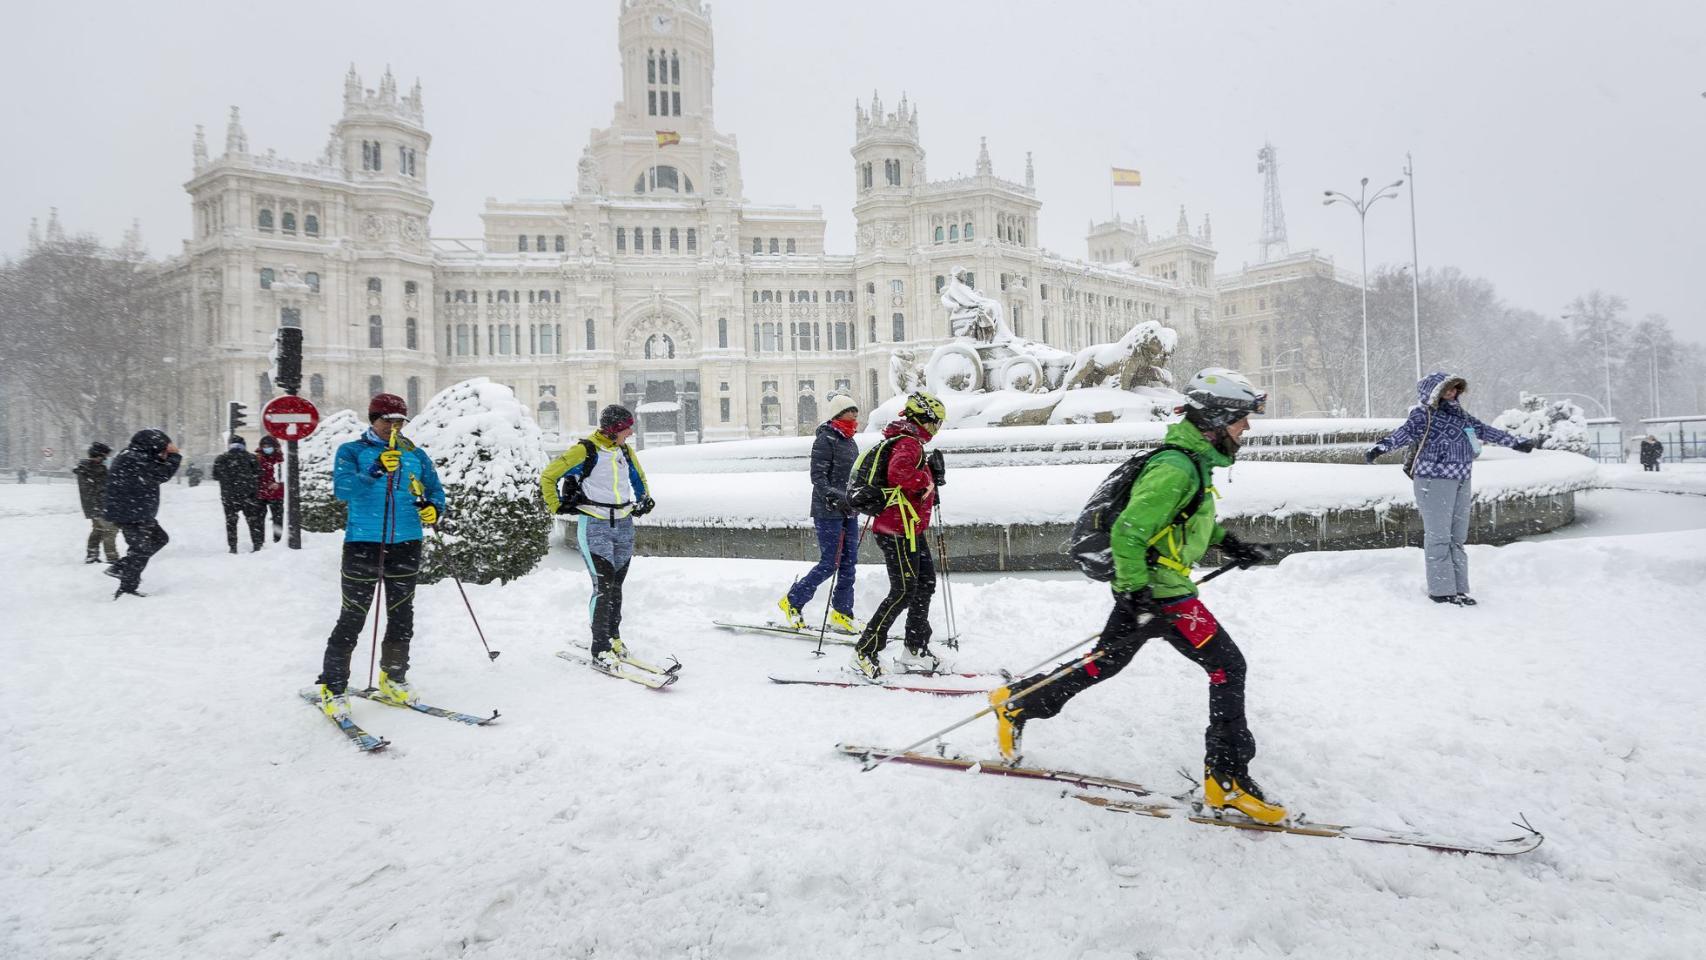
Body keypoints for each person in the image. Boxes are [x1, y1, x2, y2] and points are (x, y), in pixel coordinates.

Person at [988, 368, 1285, 824]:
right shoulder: (1176, 467)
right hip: (1164, 596)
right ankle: (1226, 779)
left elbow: (1182, 522)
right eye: (1241, 419)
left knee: (1105, 662)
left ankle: (1019, 703)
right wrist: (1137, 593)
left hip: (1154, 589)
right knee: (1228, 667)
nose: (1246, 428)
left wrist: (1230, 543)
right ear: (1217, 418)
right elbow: (1129, 532)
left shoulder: (1192, 460)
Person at [313, 394, 446, 719]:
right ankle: (333, 687)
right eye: (387, 420)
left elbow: (435, 490)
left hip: (407, 542)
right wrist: (372, 471)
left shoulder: (415, 455)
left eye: (399, 421)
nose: (393, 427)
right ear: (372, 419)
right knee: (353, 616)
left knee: (401, 615)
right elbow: (343, 491)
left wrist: (433, 509)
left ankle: (393, 678)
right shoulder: (352, 451)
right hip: (364, 543)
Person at [1364, 372, 1533, 605]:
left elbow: (1484, 431)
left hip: (1462, 478)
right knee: (1439, 535)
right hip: (1433, 480)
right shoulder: (1424, 415)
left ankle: (1459, 588)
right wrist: (1381, 447)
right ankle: (1441, 590)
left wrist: (1516, 442)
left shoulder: (1462, 416)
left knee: (1457, 536)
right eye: (1447, 389)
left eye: (1455, 389)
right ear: (1433, 392)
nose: (1452, 393)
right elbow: (1404, 433)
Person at [540, 404, 655, 665]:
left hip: (624, 526)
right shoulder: (585, 450)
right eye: (626, 428)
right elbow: (549, 476)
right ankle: (599, 646)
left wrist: (644, 499)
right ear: (614, 428)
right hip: (595, 527)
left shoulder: (624, 451)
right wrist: (556, 504)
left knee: (616, 586)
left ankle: (613, 637)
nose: (630, 433)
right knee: (602, 587)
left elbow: (639, 478)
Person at [850, 391, 947, 680]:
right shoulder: (909, 443)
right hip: (897, 530)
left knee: (925, 584)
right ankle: (864, 650)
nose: (936, 429)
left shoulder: (908, 441)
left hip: (909, 528)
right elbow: (899, 473)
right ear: (922, 420)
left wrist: (930, 479)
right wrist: (927, 479)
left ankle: (914, 649)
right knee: (904, 590)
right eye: (935, 423)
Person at [777, 394, 864, 634]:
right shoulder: (825, 439)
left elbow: (854, 476)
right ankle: (793, 600)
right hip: (828, 511)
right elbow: (818, 478)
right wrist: (838, 497)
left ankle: (842, 612)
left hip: (849, 511)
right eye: (850, 411)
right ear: (838, 414)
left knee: (849, 564)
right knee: (830, 563)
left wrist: (859, 497)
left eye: (856, 411)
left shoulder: (850, 441)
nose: (855, 415)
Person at [102, 429, 182, 599]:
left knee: (156, 540)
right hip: (130, 513)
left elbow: (154, 468)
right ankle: (126, 585)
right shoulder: (134, 458)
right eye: (160, 448)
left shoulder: (133, 455)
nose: (162, 452)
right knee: (141, 548)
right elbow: (162, 473)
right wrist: (174, 456)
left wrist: (163, 456)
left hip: (134, 512)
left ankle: (124, 572)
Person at [211, 435, 265, 553]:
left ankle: (233, 547)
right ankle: (256, 545)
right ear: (244, 445)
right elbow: (259, 474)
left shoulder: (221, 458)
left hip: (229, 496)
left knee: (231, 522)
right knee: (252, 520)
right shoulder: (251, 458)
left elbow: (215, 476)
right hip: (249, 495)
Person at [74, 442, 120, 565]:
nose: (106, 458)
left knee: (98, 529)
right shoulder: (93, 469)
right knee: (110, 530)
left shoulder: (89, 468)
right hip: (98, 505)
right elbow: (100, 489)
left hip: (93, 506)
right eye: (104, 456)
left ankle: (92, 555)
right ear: (99, 455)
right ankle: (112, 559)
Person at [256, 436, 286, 541]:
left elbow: (286, 475)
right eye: (264, 446)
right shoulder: (257, 459)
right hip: (261, 493)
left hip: (276, 493)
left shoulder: (281, 459)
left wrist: (280, 484)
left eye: (269, 446)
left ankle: (277, 540)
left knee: (277, 519)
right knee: (258, 519)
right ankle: (259, 541)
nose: (266, 448)